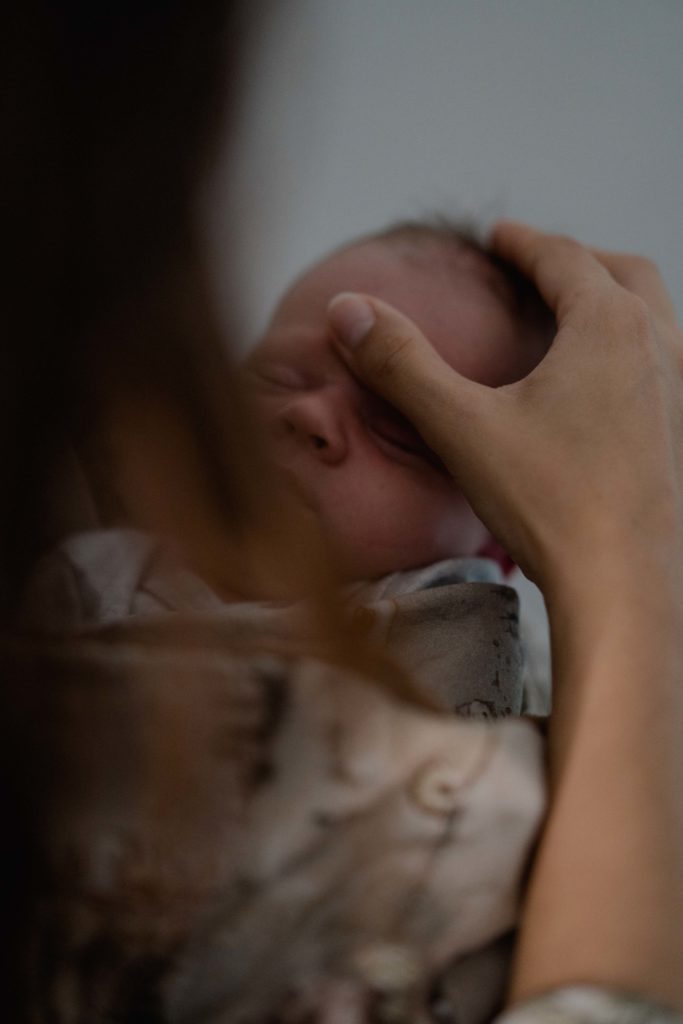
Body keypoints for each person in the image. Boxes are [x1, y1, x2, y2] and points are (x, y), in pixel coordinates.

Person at [3, 3, 683, 1023]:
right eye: (278, 374)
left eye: (402, 429)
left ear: (497, 532)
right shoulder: (112, 552)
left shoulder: (463, 639)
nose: (313, 420)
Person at [243, 220, 553, 581]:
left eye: (395, 436)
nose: (309, 413)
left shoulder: (454, 632)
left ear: (499, 546)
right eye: (277, 377)